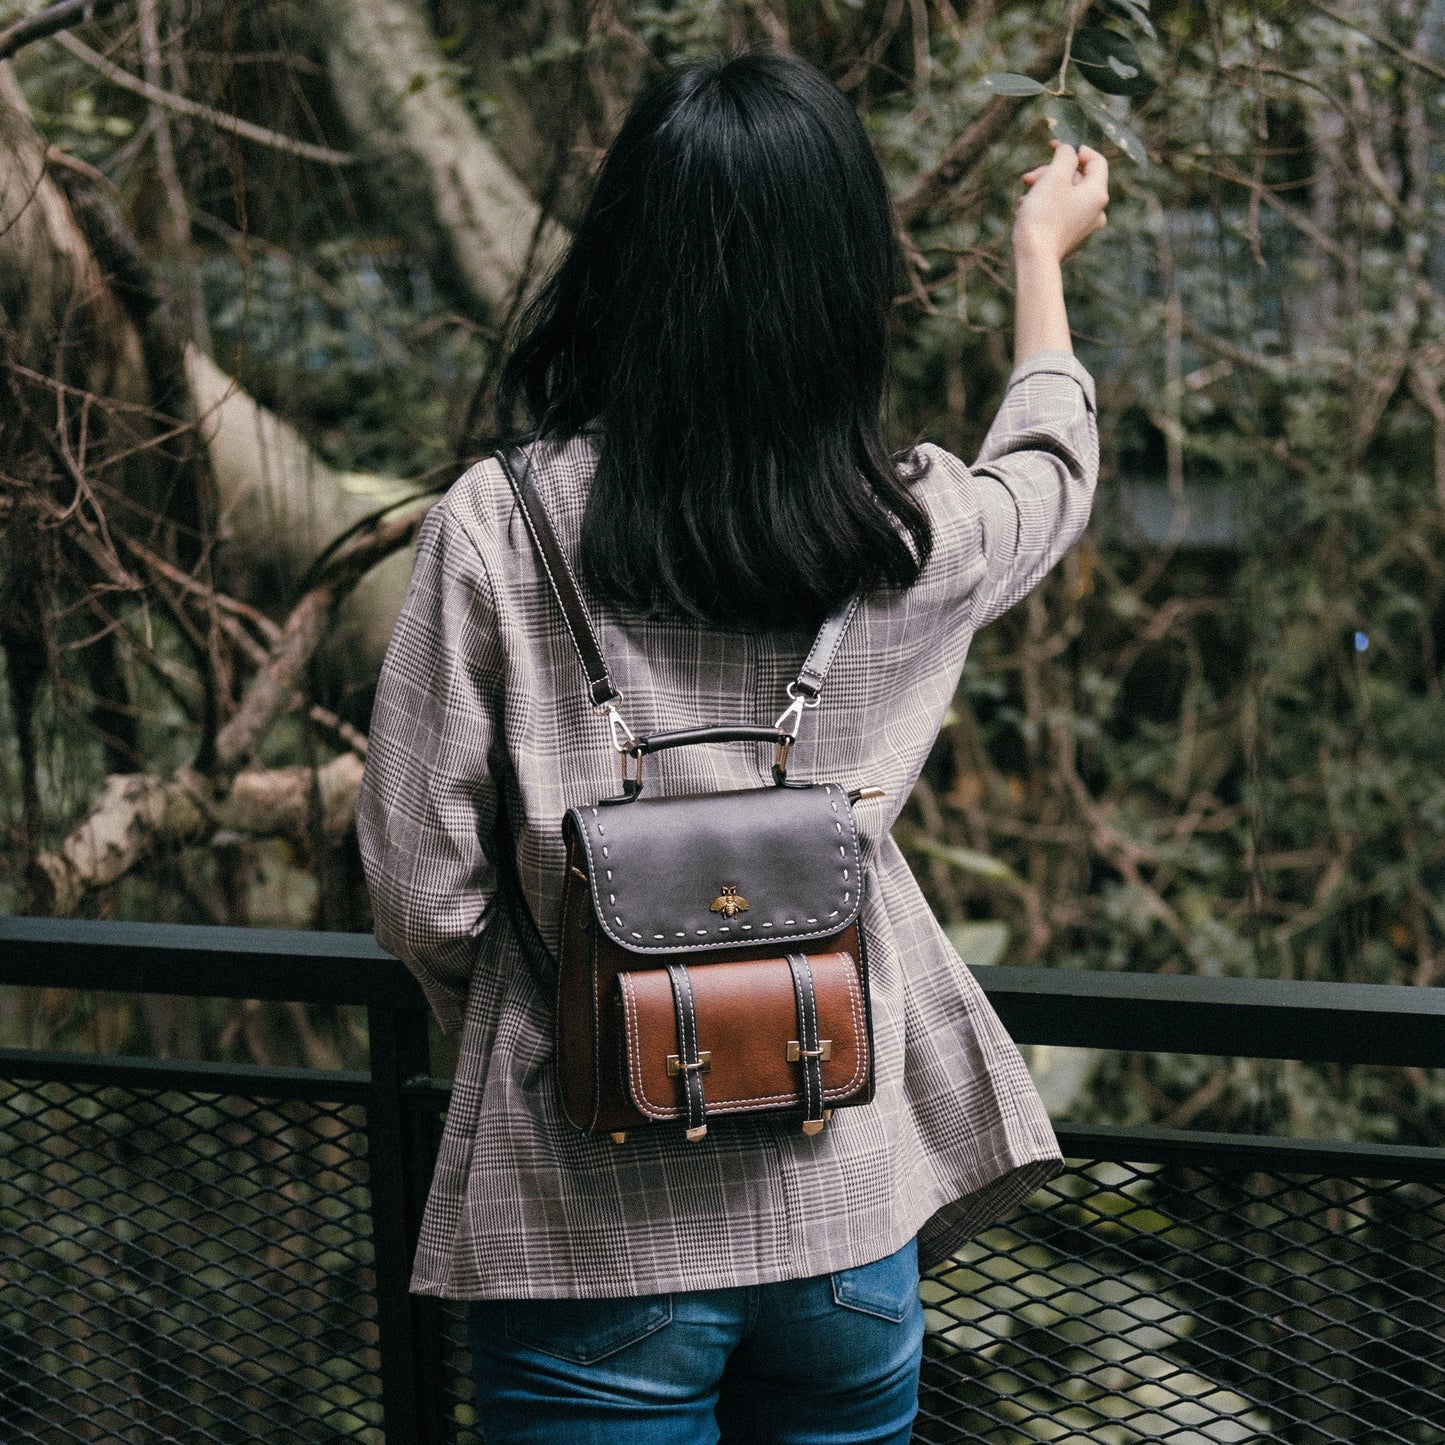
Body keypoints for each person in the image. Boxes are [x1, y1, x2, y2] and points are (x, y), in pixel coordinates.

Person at [356, 50, 1107, 1445]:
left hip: (589, 1232)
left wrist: (568, 1020)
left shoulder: (498, 527)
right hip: (843, 1219)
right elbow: (1050, 478)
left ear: (625, 260)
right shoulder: (911, 531)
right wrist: (1036, 254)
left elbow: (420, 892)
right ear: (839, 286)